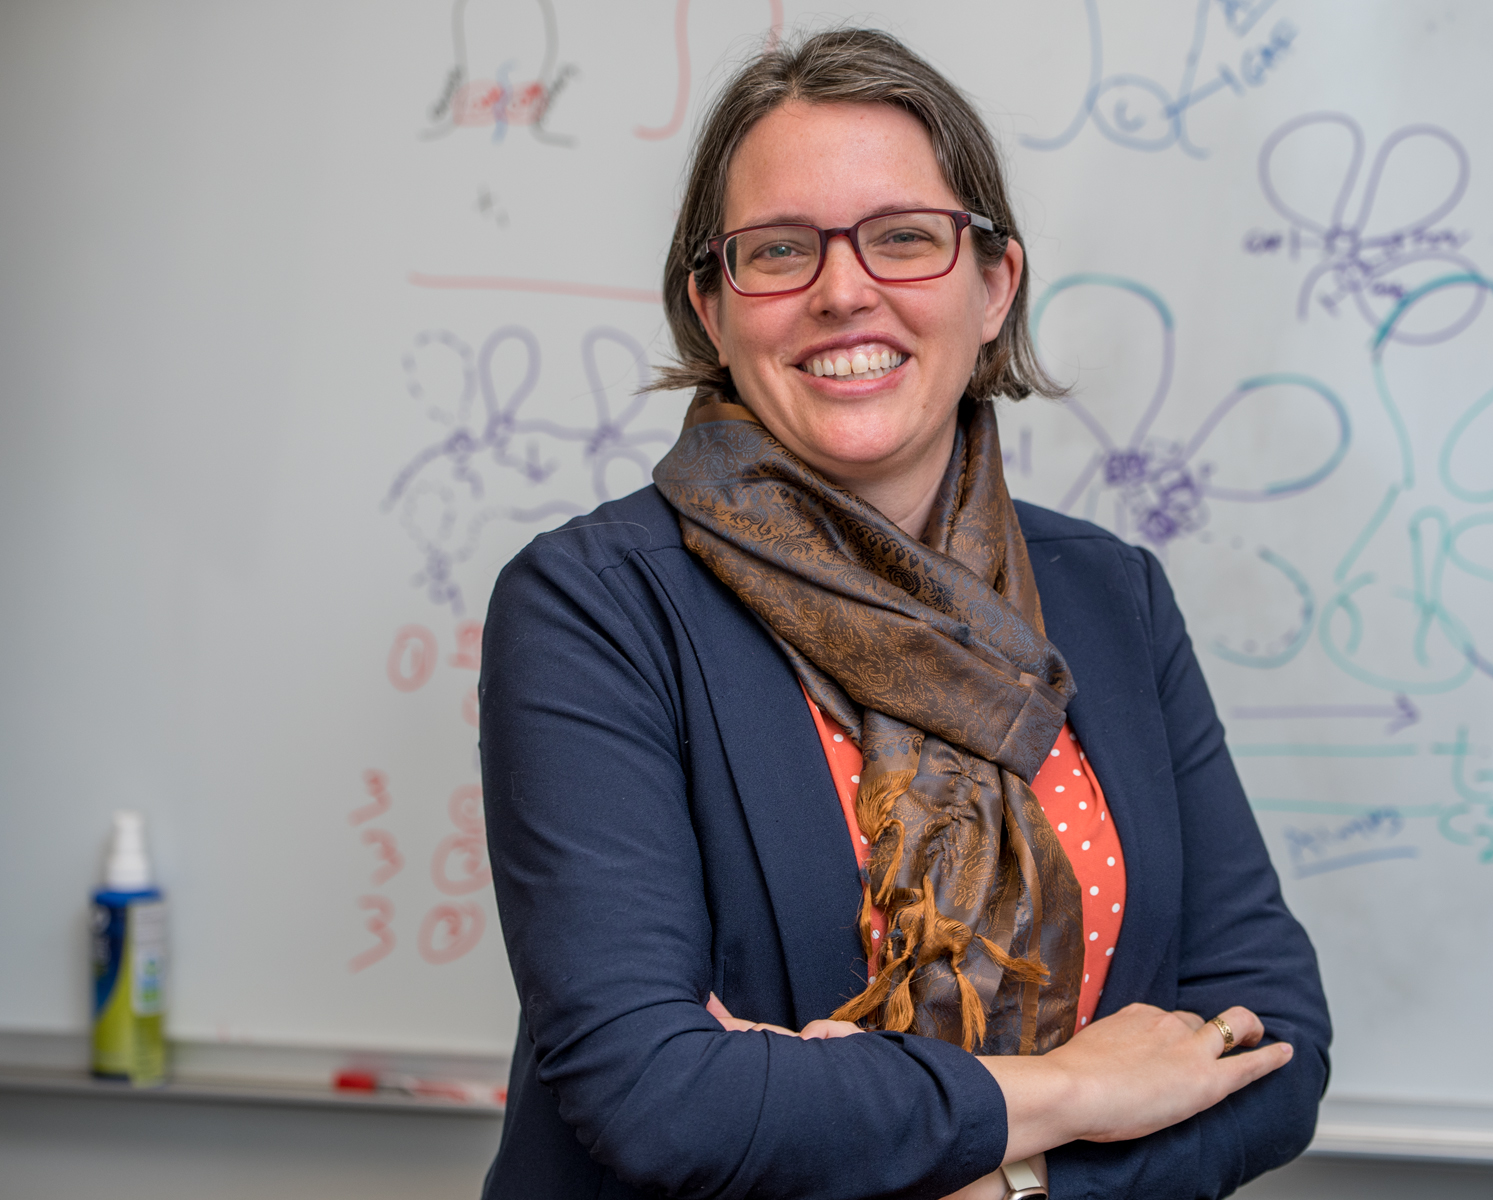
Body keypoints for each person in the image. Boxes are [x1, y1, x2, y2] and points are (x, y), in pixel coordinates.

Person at [479, 27, 1330, 1200]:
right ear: (712, 308)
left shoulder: (1110, 594)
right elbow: (656, 1097)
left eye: (905, 240)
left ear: (994, 286)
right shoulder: (594, 605)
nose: (843, 291)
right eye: (779, 251)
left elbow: (1272, 1040)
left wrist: (1017, 1192)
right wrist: (1076, 1093)